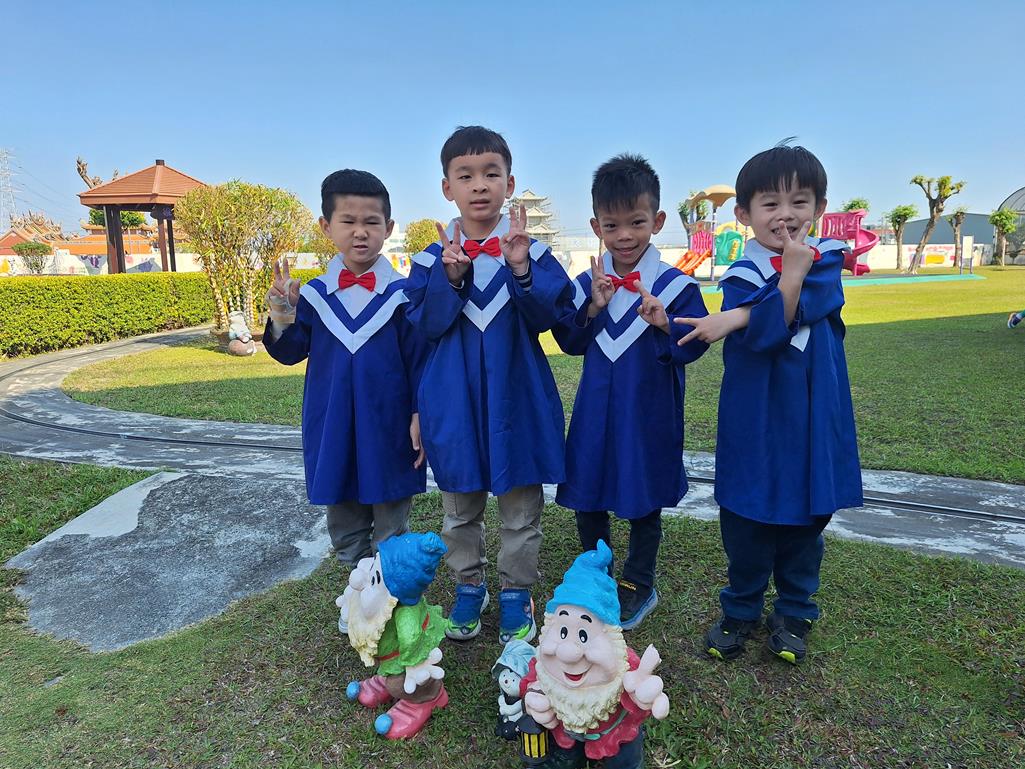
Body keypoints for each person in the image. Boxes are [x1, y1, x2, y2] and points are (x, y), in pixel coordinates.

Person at [674, 143, 863, 663]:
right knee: (747, 518)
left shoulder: (825, 260)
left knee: (806, 518)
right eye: (770, 204)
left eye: (799, 202)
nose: (786, 215)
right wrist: (756, 307)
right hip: (754, 414)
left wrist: (738, 315)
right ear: (744, 214)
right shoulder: (740, 273)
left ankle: (795, 612)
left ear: (819, 208)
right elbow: (764, 337)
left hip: (812, 414)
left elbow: (811, 302)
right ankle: (740, 609)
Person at [404, 125, 574, 644]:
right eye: (466, 175)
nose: (479, 185)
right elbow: (424, 326)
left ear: (509, 183)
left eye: (491, 174)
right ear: (447, 187)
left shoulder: (532, 253)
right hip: (454, 402)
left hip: (515, 398)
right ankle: (468, 585)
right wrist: (452, 280)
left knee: (520, 509)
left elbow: (550, 316)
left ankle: (516, 592)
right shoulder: (430, 259)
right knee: (459, 509)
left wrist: (520, 269)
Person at [553, 154, 709, 631]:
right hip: (595, 409)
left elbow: (696, 342)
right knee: (588, 491)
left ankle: (639, 579)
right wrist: (592, 308)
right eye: (612, 225)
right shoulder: (588, 283)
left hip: (648, 411)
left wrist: (665, 324)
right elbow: (569, 340)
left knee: (644, 493)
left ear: (657, 221)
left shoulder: (676, 286)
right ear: (596, 226)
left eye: (637, 222)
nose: (624, 235)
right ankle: (593, 571)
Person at [264, 169, 427, 569]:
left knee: (391, 516)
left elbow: (420, 359)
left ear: (388, 228)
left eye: (371, 222)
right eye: (348, 221)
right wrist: (282, 315)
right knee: (343, 517)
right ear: (326, 227)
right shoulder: (315, 296)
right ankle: (356, 587)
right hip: (332, 419)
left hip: (388, 421)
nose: (360, 232)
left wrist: (419, 412)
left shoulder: (403, 295)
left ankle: (389, 589)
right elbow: (290, 352)